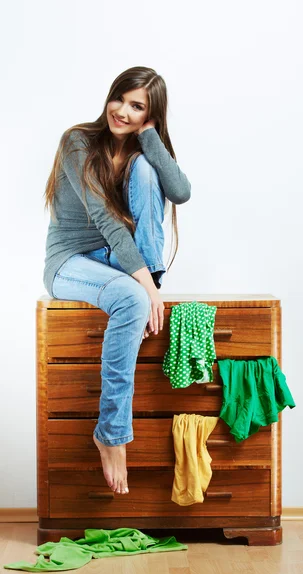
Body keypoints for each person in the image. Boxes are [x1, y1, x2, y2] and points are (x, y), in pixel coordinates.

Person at [43, 66, 191, 497]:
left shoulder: (141, 150)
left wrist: (149, 138)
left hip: (117, 260)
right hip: (71, 260)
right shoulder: (77, 142)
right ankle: (111, 434)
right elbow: (106, 221)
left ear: (151, 116)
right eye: (120, 99)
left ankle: (148, 285)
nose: (122, 111)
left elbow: (179, 192)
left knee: (149, 172)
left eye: (137, 106)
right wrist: (146, 288)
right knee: (131, 297)